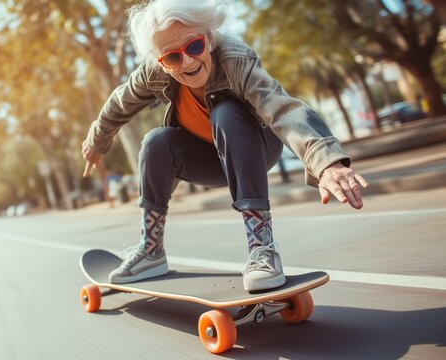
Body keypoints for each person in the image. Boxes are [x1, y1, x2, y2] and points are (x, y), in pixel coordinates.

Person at [81, 0, 368, 291]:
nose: (189, 62)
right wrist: (96, 142)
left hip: (255, 147)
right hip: (208, 160)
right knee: (156, 141)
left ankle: (262, 249)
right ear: (160, 63)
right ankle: (151, 249)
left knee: (227, 113)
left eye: (194, 46)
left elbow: (282, 108)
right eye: (172, 58)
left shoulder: (235, 60)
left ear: (207, 35)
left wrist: (327, 162)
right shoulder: (153, 73)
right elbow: (119, 104)